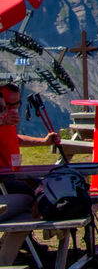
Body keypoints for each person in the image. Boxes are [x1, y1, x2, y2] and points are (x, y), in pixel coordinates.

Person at [0, 83, 60, 222]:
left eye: (18, 104)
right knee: (33, 193)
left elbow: (16, 139)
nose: (14, 109)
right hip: (3, 179)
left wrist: (43, 142)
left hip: (13, 173)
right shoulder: (4, 119)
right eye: (9, 105)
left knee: (45, 188)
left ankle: (26, 238)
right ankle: (24, 237)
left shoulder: (6, 121)